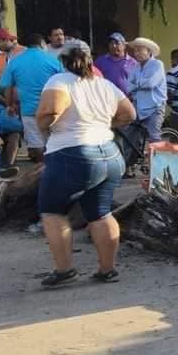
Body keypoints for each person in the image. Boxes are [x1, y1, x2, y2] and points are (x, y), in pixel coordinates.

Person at [35, 47, 136, 288]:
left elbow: (49, 110)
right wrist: (106, 123)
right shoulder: (104, 84)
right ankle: (107, 269)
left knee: (52, 211)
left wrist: (46, 128)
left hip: (73, 153)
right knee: (100, 212)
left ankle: (65, 270)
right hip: (109, 153)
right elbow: (129, 114)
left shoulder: (59, 80)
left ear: (63, 61)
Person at [0, 33, 61, 162]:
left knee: (36, 144)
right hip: (53, 110)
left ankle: (43, 170)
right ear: (42, 44)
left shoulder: (15, 62)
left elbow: (7, 88)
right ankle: (56, 169)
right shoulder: (54, 61)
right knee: (56, 142)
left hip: (29, 111)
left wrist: (10, 105)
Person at [126, 37, 167, 142]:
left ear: (149, 51)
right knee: (129, 134)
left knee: (154, 138)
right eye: (135, 50)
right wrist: (140, 84)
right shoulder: (136, 67)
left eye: (139, 50)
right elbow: (128, 87)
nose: (136, 53)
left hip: (155, 107)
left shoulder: (157, 64)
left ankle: (156, 158)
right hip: (138, 106)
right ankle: (132, 158)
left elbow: (151, 83)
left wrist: (136, 84)